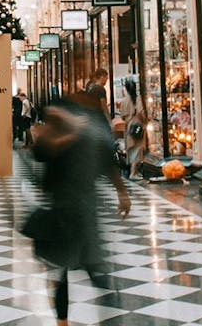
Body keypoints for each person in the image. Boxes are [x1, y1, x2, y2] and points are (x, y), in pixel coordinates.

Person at [29, 92, 130, 326]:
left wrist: (122, 192)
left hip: (78, 211)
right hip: (67, 212)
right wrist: (122, 192)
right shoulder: (63, 135)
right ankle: (63, 321)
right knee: (68, 270)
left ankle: (75, 320)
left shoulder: (81, 134)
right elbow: (41, 153)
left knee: (83, 269)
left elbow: (106, 161)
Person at [119, 78, 146, 179]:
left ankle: (134, 171)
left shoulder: (124, 100)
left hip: (128, 125)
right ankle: (133, 172)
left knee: (131, 148)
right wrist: (144, 121)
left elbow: (122, 115)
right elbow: (140, 111)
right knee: (137, 148)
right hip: (136, 124)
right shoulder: (137, 98)